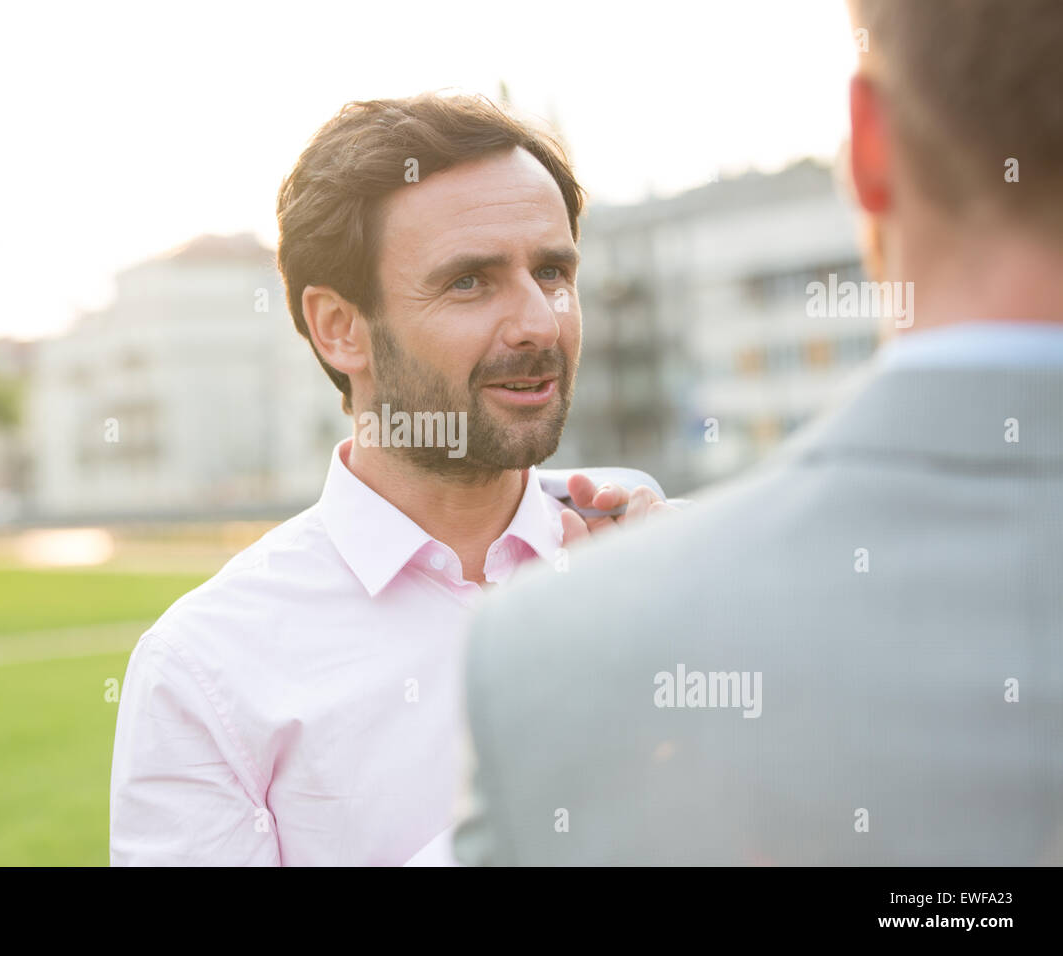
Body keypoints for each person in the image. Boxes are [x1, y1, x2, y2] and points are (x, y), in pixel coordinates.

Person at [453, 0, 1063, 865]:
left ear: (870, 141)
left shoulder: (554, 648)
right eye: (471, 280)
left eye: (554, 271)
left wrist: (654, 600)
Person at [109, 93, 675, 865]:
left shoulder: (651, 557)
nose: (539, 323)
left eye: (552, 272)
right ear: (340, 327)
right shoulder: (203, 668)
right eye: (470, 282)